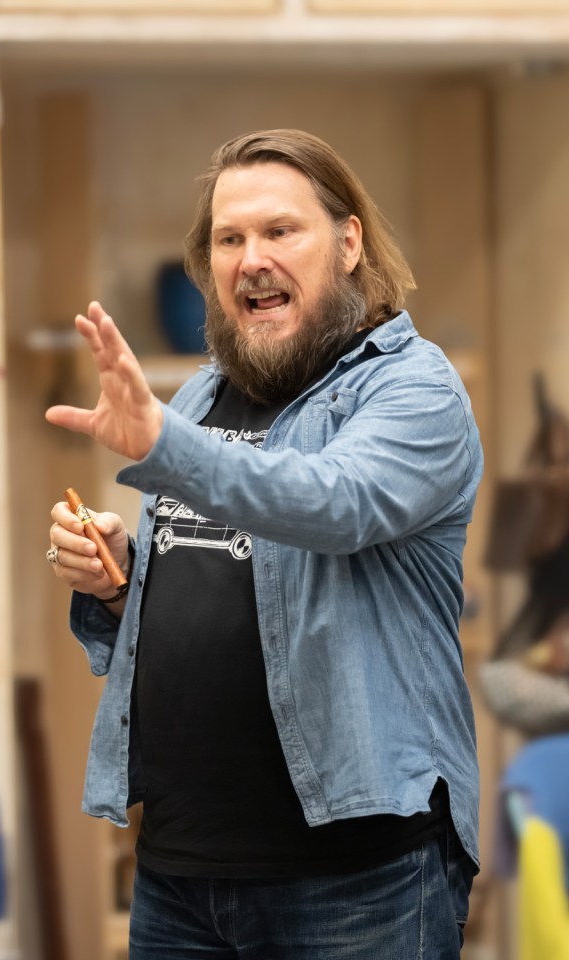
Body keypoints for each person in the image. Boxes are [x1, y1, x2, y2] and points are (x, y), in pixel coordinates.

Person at [45, 128, 483, 960]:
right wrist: (118, 580)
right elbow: (222, 571)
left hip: (357, 885)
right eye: (229, 238)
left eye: (281, 231)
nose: (252, 258)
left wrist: (160, 446)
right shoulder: (206, 391)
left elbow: (333, 503)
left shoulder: (412, 387)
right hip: (180, 875)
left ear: (349, 243)